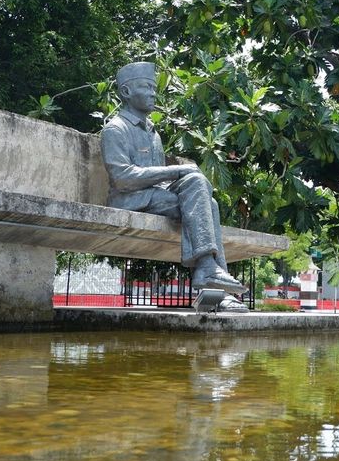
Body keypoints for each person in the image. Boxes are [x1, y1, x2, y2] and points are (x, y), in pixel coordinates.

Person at [100, 62, 248, 309]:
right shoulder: (115, 129)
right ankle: (215, 284)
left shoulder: (153, 133)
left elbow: (163, 180)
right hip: (130, 200)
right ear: (126, 92)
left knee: (203, 195)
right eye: (146, 87)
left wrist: (183, 179)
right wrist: (177, 169)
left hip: (156, 198)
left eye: (154, 87)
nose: (153, 93)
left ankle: (209, 273)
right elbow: (122, 178)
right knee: (206, 203)